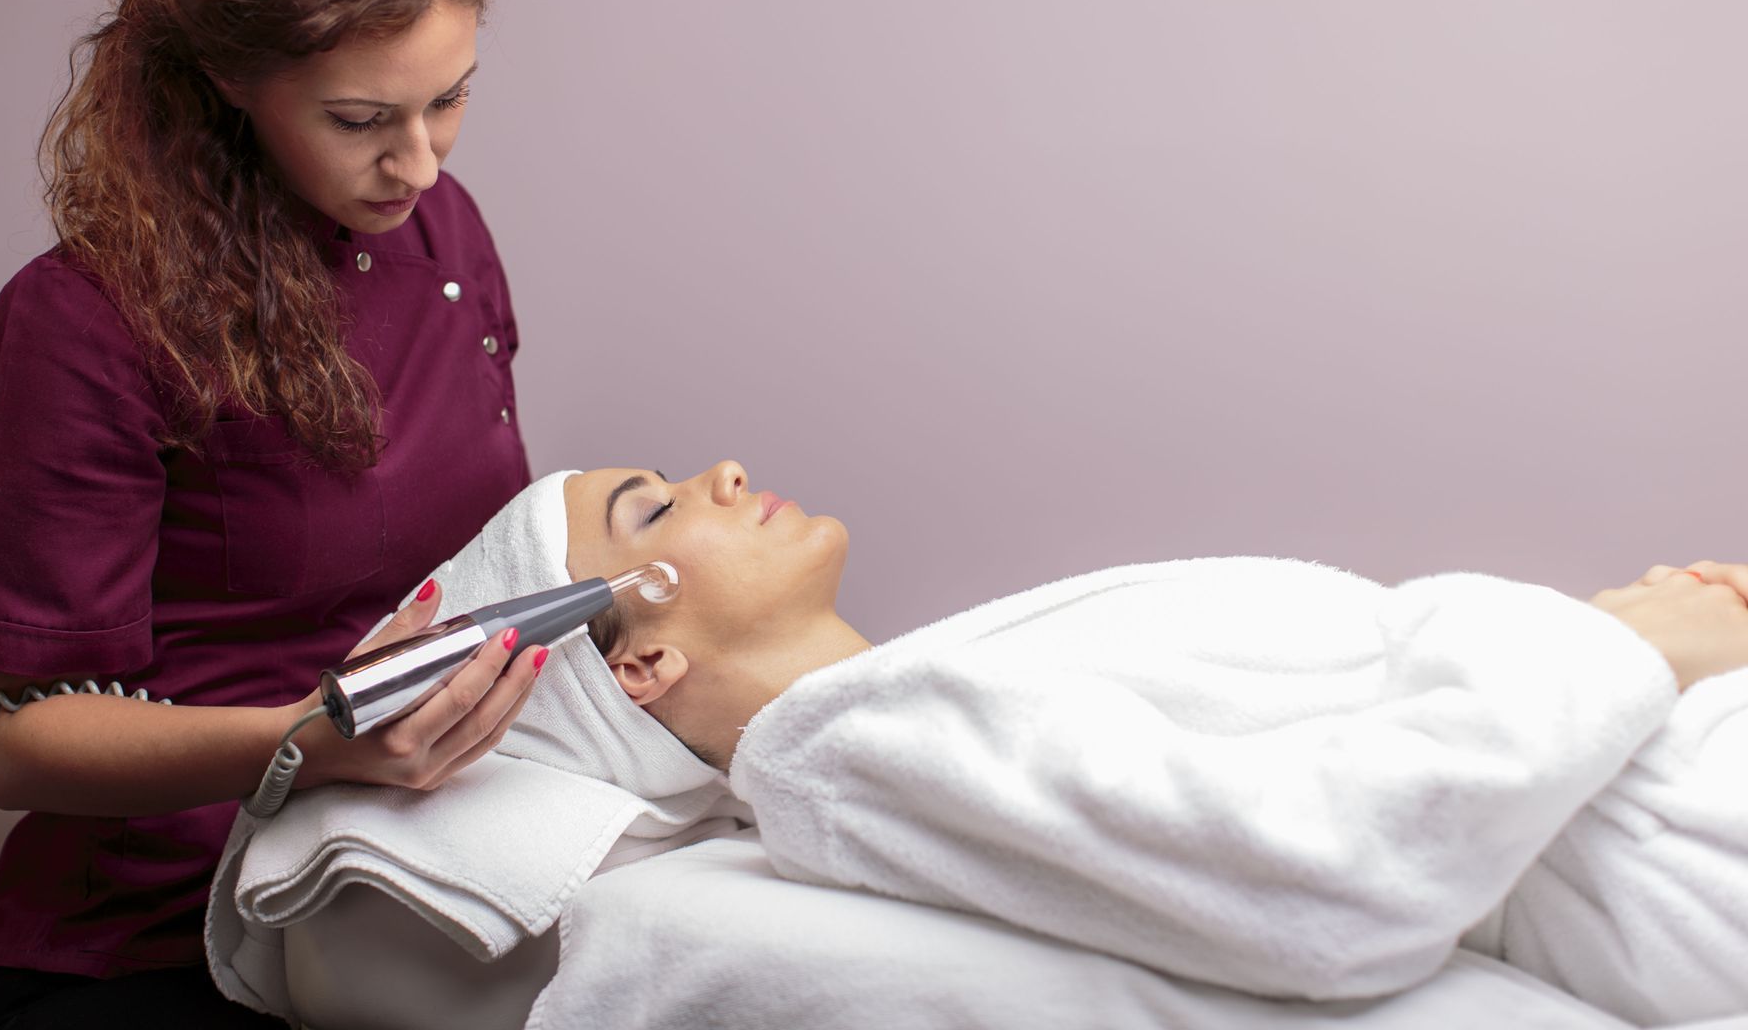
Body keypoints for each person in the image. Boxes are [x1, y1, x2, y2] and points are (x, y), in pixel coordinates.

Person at [0, 0, 553, 1028]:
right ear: (230, 77)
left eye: (450, 98)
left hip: (400, 893)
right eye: (359, 120)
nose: (421, 163)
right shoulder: (89, 320)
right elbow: (9, 742)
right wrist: (302, 739)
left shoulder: (444, 231)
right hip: (156, 942)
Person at [461, 463, 1748, 1024]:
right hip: (1676, 851)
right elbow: (1325, 874)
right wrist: (1627, 646)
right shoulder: (854, 748)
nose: (725, 472)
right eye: (659, 506)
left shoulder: (914, 696)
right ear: (641, 661)